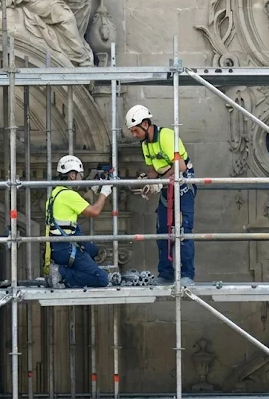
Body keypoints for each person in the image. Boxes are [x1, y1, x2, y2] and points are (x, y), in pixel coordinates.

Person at [125, 104, 196, 286]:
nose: (134, 134)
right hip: (167, 185)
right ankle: (166, 274)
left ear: (146, 124)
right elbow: (152, 169)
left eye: (135, 130)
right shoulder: (146, 144)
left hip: (183, 184)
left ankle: (187, 275)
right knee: (163, 231)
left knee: (182, 230)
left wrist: (160, 181)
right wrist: (148, 183)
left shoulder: (166, 136)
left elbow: (180, 167)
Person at [45, 155, 113, 289]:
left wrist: (93, 188)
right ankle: (61, 274)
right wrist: (104, 192)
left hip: (57, 248)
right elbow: (94, 211)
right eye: (80, 175)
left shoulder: (56, 193)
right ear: (72, 175)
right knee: (102, 279)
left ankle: (63, 274)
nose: (81, 179)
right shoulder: (69, 195)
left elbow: (80, 202)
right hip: (66, 249)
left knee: (92, 250)